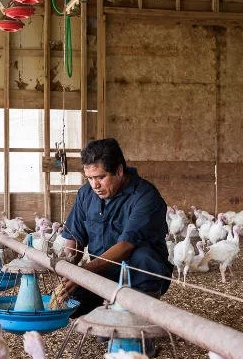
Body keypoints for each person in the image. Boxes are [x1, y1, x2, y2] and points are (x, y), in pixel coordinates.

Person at [56, 138, 174, 327]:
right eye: (89, 178)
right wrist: (69, 264)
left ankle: (139, 325)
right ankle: (106, 308)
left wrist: (83, 273)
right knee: (71, 301)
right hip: (101, 271)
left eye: (100, 177)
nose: (95, 185)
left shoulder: (145, 196)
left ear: (119, 171)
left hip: (138, 276)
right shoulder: (86, 194)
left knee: (142, 257)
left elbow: (126, 246)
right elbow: (75, 238)